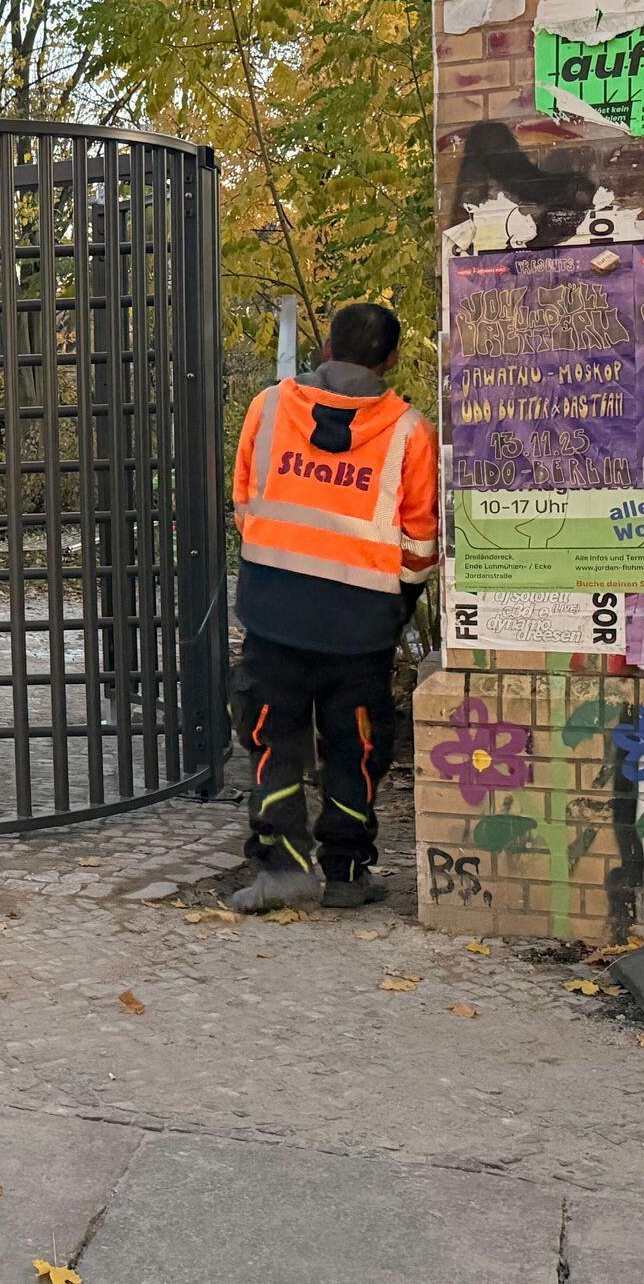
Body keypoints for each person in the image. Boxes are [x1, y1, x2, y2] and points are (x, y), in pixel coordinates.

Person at [226, 302, 439, 912]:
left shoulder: (268, 408)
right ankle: (346, 873)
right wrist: (394, 605)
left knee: (272, 738)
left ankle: (282, 870)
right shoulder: (410, 432)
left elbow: (245, 503)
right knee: (357, 746)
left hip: (274, 612)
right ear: (391, 360)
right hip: (361, 626)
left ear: (325, 347)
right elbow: (420, 544)